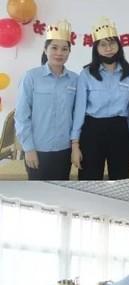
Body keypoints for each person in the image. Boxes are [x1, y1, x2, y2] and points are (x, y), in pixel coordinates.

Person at [70, 18, 129, 180]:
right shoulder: (86, 74)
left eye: (112, 43)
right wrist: (75, 144)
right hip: (92, 130)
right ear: (96, 49)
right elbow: (79, 110)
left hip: (119, 130)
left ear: (119, 46)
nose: (108, 48)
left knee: (120, 179)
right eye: (103, 45)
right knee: (89, 179)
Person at [15, 20, 78, 180]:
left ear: (69, 52)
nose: (59, 53)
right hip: (38, 150)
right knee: (38, 192)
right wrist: (29, 148)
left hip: (64, 150)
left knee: (61, 191)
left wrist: (75, 147)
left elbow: (77, 116)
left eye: (64, 49)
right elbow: (21, 116)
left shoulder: (75, 80)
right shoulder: (31, 77)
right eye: (54, 48)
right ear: (45, 49)